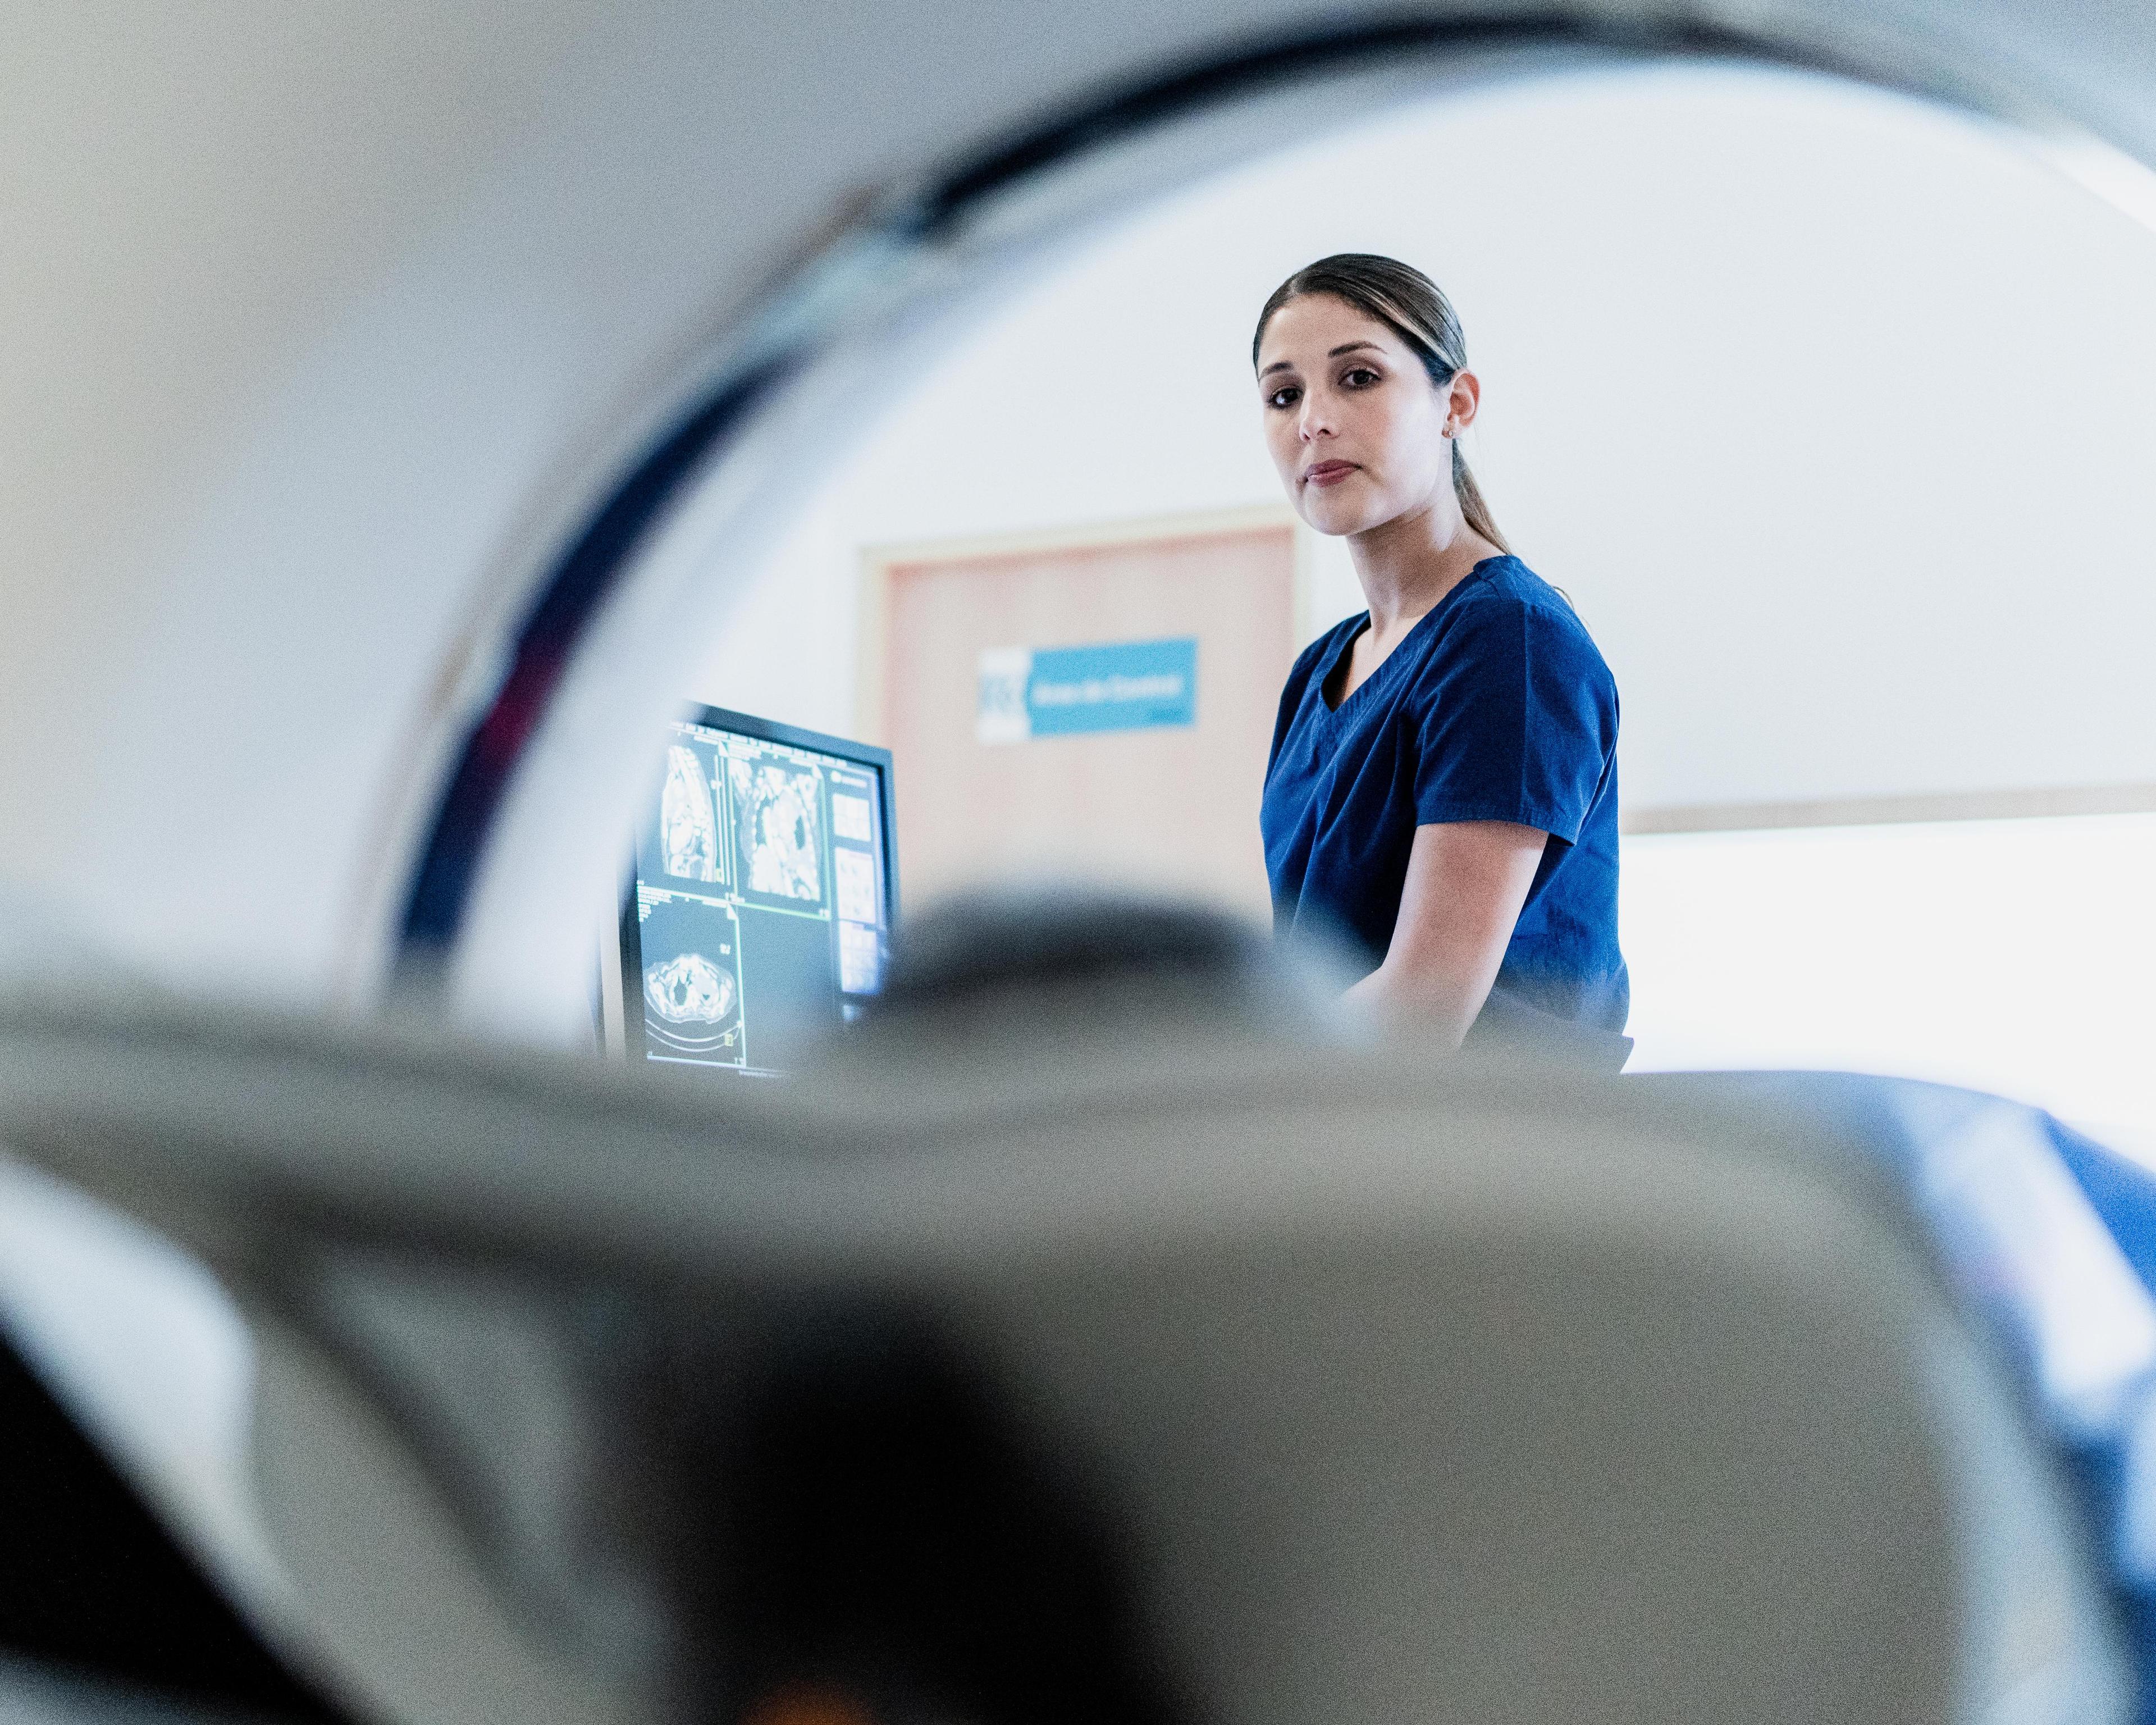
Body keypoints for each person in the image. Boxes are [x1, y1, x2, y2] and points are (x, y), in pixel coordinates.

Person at [1254, 254, 1629, 1061]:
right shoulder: (1321, 670)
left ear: (1455, 404)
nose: (1313, 420)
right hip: (1348, 1140)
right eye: (1284, 395)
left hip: (1487, 1156)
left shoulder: (1509, 643)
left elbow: (1423, 1007)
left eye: (1357, 378)